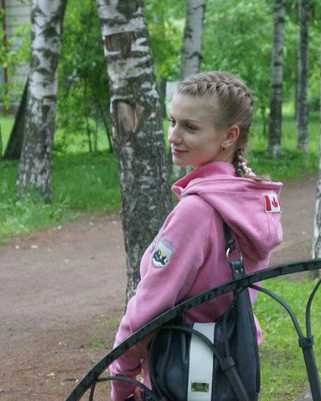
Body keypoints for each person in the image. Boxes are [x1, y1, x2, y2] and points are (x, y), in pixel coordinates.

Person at [109, 71, 283, 401]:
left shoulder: (197, 212)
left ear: (229, 136)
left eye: (190, 127)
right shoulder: (251, 201)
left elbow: (148, 309)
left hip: (182, 374)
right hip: (232, 369)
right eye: (172, 121)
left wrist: (122, 375)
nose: (173, 136)